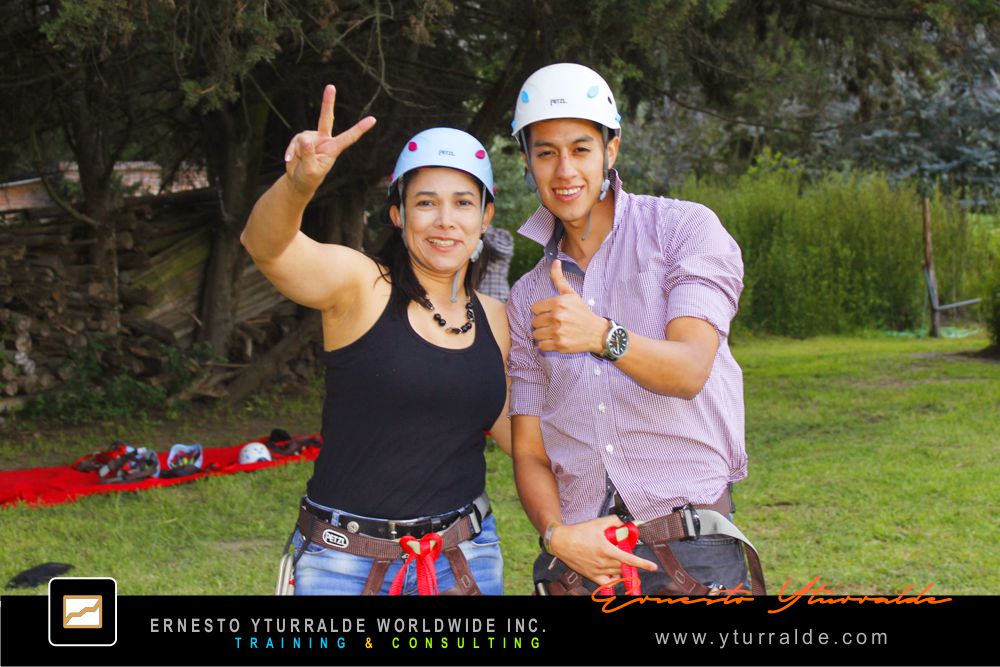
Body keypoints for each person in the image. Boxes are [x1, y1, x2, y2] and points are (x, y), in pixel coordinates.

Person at [241, 85, 511, 596]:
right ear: (398, 214)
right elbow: (266, 246)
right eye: (425, 202)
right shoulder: (361, 285)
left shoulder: (496, 319)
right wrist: (297, 186)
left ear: (485, 217)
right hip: (345, 562)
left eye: (463, 203)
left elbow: (525, 440)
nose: (445, 221)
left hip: (464, 557)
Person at [505, 64, 765, 595]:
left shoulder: (683, 231)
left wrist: (602, 335)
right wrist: (555, 534)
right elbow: (528, 449)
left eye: (581, 148)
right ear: (527, 162)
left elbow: (691, 368)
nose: (564, 170)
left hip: (692, 549)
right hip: (582, 560)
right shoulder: (528, 296)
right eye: (546, 152)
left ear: (611, 151)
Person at [479, 226, 514, 303]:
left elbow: (503, 251)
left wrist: (483, 230)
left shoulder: (501, 234)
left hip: (497, 297)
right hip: (475, 298)